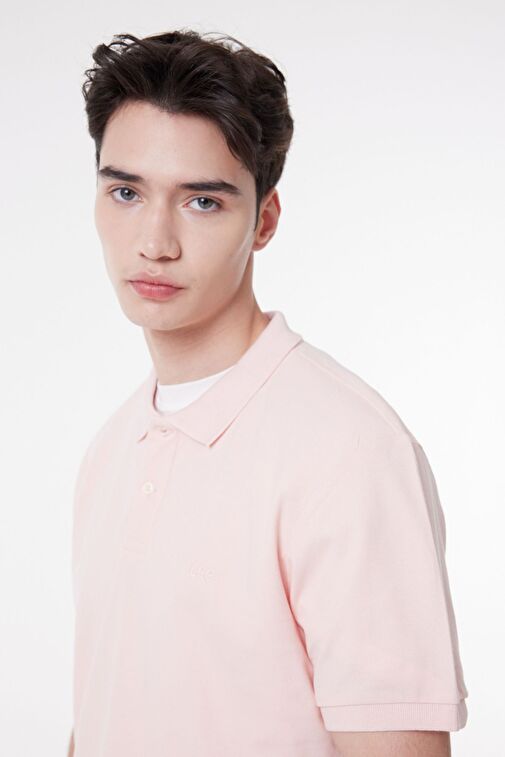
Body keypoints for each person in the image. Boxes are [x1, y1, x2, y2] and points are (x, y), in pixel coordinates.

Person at [68, 29, 468, 757]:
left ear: (264, 220)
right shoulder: (112, 447)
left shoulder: (349, 453)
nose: (154, 241)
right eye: (125, 192)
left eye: (202, 202)